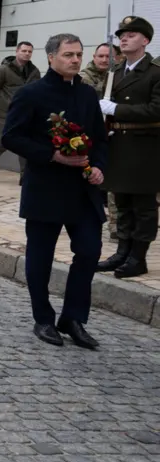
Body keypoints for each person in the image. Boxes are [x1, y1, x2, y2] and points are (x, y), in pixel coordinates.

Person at [1, 34, 107, 349]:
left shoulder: (88, 95)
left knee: (89, 251)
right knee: (41, 257)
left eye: (78, 54)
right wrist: (52, 154)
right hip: (45, 187)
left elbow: (100, 139)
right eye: (68, 55)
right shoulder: (31, 93)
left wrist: (99, 167)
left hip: (83, 189)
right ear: (51, 57)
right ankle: (44, 319)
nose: (75, 60)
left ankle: (73, 318)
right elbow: (11, 137)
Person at [96, 16, 160, 279]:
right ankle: (122, 251)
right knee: (121, 202)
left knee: (143, 206)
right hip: (119, 144)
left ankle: (138, 257)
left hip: (145, 147)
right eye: (122, 35)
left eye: (131, 34)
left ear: (145, 40)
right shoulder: (116, 73)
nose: (124, 38)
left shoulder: (155, 73)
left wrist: (117, 109)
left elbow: (156, 109)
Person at [0, 42, 40, 182]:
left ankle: (25, 175)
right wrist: (5, 101)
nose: (27, 54)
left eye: (29, 51)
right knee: (5, 141)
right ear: (17, 51)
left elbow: (38, 91)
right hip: (5, 113)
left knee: (25, 141)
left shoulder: (34, 71)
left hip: (26, 113)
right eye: (24, 51)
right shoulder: (3, 69)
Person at [81, 43, 120, 240]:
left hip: (114, 134)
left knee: (112, 179)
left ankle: (115, 224)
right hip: (90, 136)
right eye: (101, 56)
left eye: (109, 57)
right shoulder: (84, 78)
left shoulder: (121, 76)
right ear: (94, 57)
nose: (105, 60)